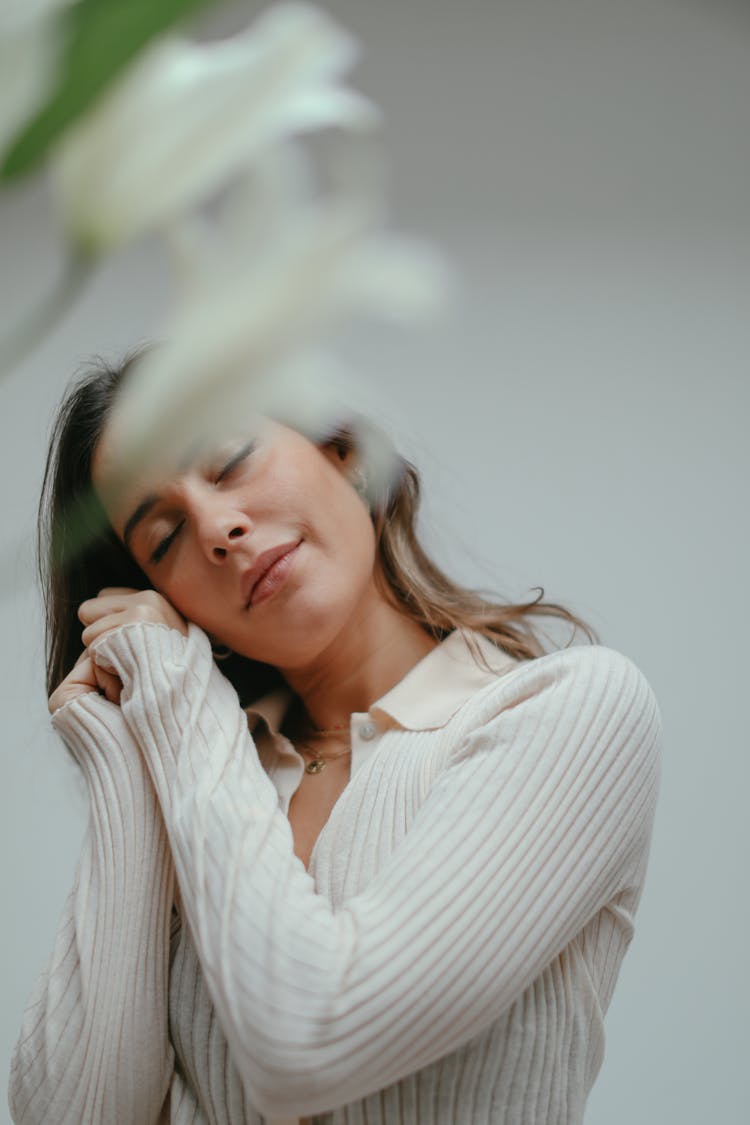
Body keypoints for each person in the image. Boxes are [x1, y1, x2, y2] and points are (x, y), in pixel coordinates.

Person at [8, 353, 661, 1125]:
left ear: (342, 453)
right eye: (165, 535)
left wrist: (178, 703)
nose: (219, 529)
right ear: (161, 598)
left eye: (227, 460)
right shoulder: (201, 767)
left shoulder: (567, 710)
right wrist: (125, 749)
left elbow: (309, 1043)